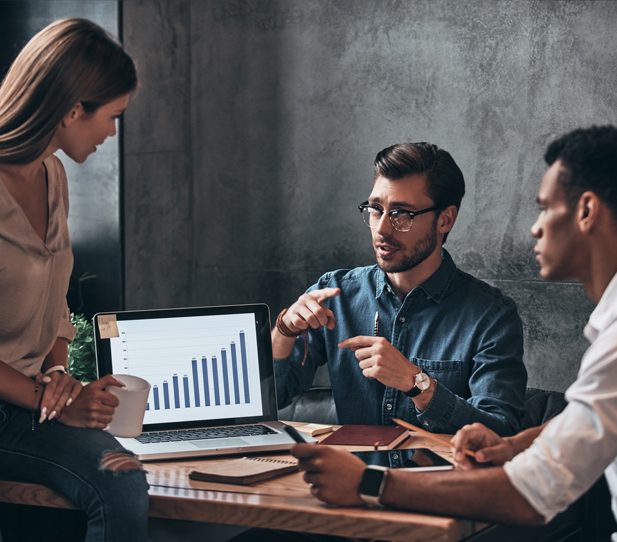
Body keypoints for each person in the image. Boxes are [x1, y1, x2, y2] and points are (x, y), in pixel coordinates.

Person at [292, 125, 617, 537]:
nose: (535, 228)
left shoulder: (497, 316)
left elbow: (531, 492)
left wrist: (365, 482)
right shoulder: (336, 291)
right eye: (375, 209)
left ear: (586, 211)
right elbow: (594, 423)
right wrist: (517, 445)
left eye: (545, 208)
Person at [0, 18, 149, 542]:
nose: (113, 133)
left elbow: (55, 305)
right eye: (112, 117)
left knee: (122, 477)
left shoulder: (53, 174)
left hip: (25, 402)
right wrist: (50, 400)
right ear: (71, 110)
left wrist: (59, 371)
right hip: (13, 405)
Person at [274, 142, 527, 435]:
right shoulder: (334, 294)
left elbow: (501, 432)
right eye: (375, 209)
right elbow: (276, 395)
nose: (382, 229)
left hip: (436, 481)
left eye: (402, 214)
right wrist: (284, 331)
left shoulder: (491, 317)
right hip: (349, 479)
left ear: (445, 219)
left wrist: (417, 383)